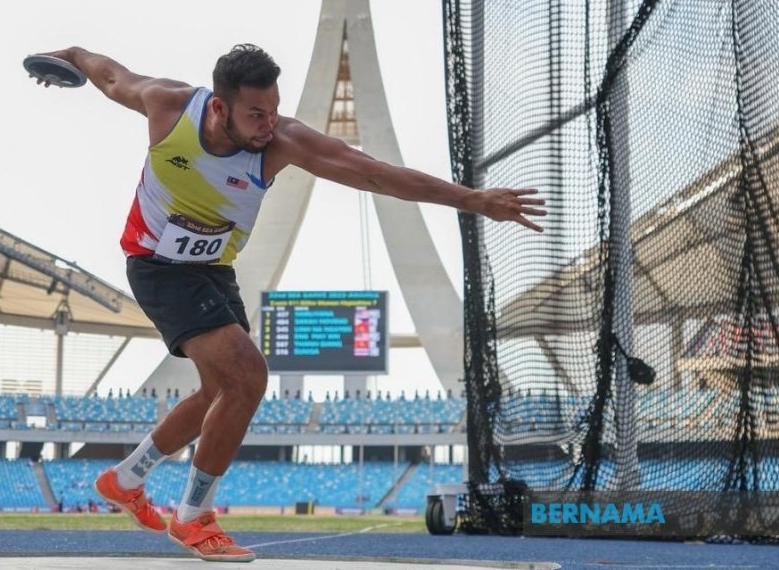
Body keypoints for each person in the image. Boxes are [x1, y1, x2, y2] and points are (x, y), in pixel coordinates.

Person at [33, 43, 545, 563]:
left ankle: (125, 478)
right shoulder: (168, 106)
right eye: (255, 114)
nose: (267, 125)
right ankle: (192, 518)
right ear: (217, 106)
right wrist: (71, 55)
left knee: (218, 389)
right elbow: (111, 76)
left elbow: (373, 174)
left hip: (212, 269)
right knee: (247, 378)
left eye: (273, 111)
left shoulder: (281, 141)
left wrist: (474, 199)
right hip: (157, 265)